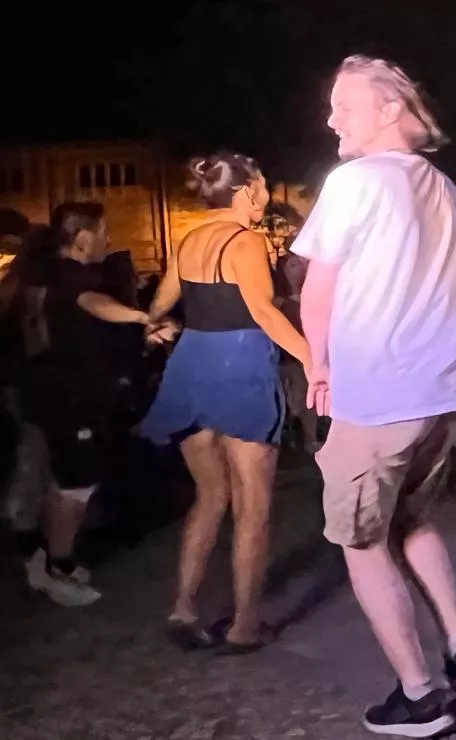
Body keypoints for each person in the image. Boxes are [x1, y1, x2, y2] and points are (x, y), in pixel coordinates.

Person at [293, 55, 456, 737]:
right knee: (410, 518)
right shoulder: (450, 192)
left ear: (389, 109)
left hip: (379, 395)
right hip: (445, 394)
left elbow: (318, 291)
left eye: (344, 106)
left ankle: (420, 695)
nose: (331, 120)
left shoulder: (354, 182)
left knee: (360, 539)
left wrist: (319, 365)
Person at [137, 153, 312, 651]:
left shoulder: (190, 240)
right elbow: (264, 313)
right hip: (240, 368)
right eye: (262, 187)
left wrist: (154, 327)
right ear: (246, 190)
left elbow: (159, 304)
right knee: (253, 507)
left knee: (210, 495)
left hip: (191, 367)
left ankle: (183, 607)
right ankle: (244, 626)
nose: (265, 197)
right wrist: (314, 361)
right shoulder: (246, 241)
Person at [23, 202, 154, 606]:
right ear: (82, 237)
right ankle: (57, 569)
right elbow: (92, 303)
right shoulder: (70, 277)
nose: (108, 239)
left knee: (64, 483)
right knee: (78, 485)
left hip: (62, 395)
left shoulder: (55, 274)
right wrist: (139, 317)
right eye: (102, 231)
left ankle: (48, 558)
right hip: (70, 399)